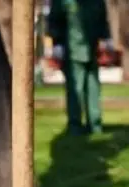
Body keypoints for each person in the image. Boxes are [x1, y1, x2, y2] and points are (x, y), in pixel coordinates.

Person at [47, 0, 114, 135]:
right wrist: (57, 43)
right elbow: (54, 21)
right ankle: (75, 125)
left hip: (92, 50)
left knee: (93, 88)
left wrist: (106, 40)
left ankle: (95, 124)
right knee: (75, 90)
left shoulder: (96, 2)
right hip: (72, 50)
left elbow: (102, 21)